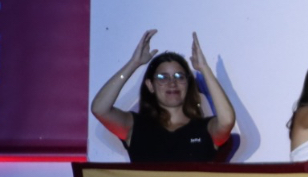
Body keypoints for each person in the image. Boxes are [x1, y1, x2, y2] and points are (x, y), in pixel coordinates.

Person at [90, 30, 236, 162]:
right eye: (162, 77)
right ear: (150, 85)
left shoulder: (205, 129)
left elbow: (227, 121)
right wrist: (134, 63)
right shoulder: (136, 127)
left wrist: (204, 68)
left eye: (179, 76)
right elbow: (99, 109)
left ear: (188, 84)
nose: (172, 83)